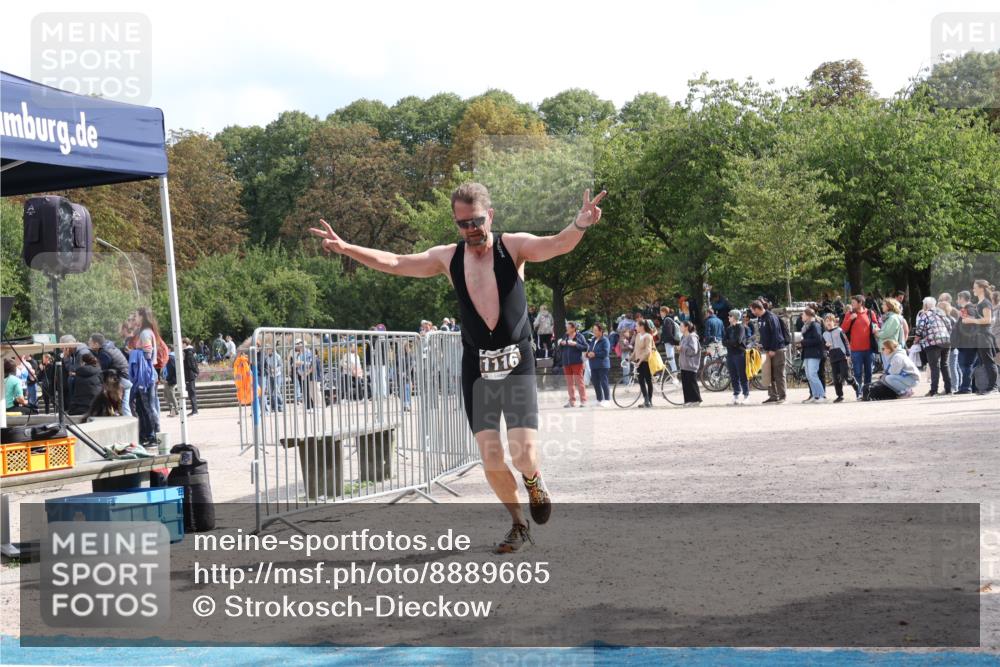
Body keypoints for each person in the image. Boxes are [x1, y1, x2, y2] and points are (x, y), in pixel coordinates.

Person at [309, 182, 605, 552]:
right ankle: (518, 523)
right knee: (490, 457)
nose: (471, 230)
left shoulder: (512, 247)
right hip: (476, 366)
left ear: (490, 215)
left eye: (476, 221)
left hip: (516, 361)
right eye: (463, 224)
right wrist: (346, 247)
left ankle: (533, 480)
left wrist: (578, 225)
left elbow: (555, 244)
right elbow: (396, 262)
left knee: (523, 454)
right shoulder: (447, 258)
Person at [126, 307, 164, 445]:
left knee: (148, 407)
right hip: (147, 373)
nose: (134, 319)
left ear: (142, 317)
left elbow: (148, 353)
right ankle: (150, 435)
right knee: (145, 406)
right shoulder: (146, 332)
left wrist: (134, 353)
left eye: (135, 316)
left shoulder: (145, 333)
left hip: (146, 375)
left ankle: (155, 435)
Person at [912, 296, 952, 397]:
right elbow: (949, 326)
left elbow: (919, 329)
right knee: (945, 365)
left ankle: (934, 391)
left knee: (935, 367)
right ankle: (948, 389)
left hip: (932, 342)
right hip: (946, 341)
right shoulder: (941, 313)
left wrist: (916, 339)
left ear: (925, 305)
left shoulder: (925, 314)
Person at [841, 295, 879, 398]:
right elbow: (843, 330)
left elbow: (875, 325)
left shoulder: (870, 313)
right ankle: (859, 393)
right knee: (857, 373)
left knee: (869, 373)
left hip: (869, 349)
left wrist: (876, 329)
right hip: (855, 350)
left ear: (860, 303)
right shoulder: (849, 314)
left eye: (853, 302)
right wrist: (850, 319)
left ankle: (868, 393)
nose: (852, 305)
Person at [751, 300, 787, 404]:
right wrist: (761, 344)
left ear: (757, 309)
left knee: (779, 374)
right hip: (767, 350)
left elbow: (776, 334)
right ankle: (773, 395)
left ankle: (782, 396)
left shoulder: (771, 317)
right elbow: (764, 334)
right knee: (768, 374)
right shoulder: (760, 318)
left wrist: (772, 349)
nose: (752, 312)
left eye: (753, 310)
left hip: (777, 350)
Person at [965, 280, 997, 394]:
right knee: (983, 362)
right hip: (979, 336)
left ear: (981, 289)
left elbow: (987, 320)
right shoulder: (979, 303)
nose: (973, 289)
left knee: (989, 361)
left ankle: (993, 387)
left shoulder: (985, 303)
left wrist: (971, 320)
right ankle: (987, 386)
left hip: (985, 336)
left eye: (975, 287)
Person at [89, 333, 132, 416]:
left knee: (123, 405)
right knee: (124, 405)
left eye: (90, 342)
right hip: (125, 377)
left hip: (120, 380)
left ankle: (128, 422)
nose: (88, 344)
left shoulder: (104, 353)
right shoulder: (111, 347)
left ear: (96, 344)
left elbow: (103, 370)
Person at [822, 313, 853, 403]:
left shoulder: (839, 330)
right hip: (833, 356)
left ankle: (854, 383)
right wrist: (826, 347)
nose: (828, 323)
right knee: (836, 378)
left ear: (834, 322)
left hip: (842, 355)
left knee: (845, 375)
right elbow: (824, 347)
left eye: (830, 321)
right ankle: (840, 395)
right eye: (826, 321)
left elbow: (846, 342)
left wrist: (848, 354)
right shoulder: (824, 334)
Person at [799, 307, 827, 403]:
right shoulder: (807, 325)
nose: (801, 316)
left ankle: (822, 395)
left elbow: (818, 339)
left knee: (813, 374)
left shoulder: (815, 325)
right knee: (809, 375)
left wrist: (803, 342)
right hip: (808, 353)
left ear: (808, 315)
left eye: (803, 314)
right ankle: (815, 396)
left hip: (815, 353)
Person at [558, 321, 588, 408]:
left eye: (568, 327)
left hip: (577, 362)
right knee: (569, 383)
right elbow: (560, 348)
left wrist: (576, 344)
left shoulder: (579, 336)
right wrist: (560, 343)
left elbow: (585, 347)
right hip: (566, 363)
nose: (566, 328)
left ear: (573, 328)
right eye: (566, 327)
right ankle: (572, 401)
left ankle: (583, 401)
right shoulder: (565, 336)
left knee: (579, 382)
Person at [723, 309, 749, 405]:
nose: (728, 317)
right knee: (733, 375)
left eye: (730, 316)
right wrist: (731, 343)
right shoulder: (729, 328)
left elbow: (738, 341)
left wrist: (730, 343)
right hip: (730, 354)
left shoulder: (741, 327)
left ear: (734, 317)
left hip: (740, 354)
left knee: (742, 375)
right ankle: (736, 395)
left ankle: (746, 395)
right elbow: (723, 341)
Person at [876, 298, 906, 370]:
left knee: (890, 370)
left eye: (883, 304)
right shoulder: (890, 317)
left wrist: (877, 333)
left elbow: (887, 333)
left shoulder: (892, 318)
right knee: (888, 369)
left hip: (889, 348)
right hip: (887, 347)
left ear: (889, 306)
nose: (882, 306)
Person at [631, 319, 655, 409]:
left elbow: (648, 351)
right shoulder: (637, 335)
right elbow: (635, 350)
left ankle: (649, 400)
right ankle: (646, 399)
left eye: (637, 326)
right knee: (641, 381)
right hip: (639, 362)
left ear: (642, 326)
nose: (635, 327)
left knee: (648, 380)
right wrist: (629, 358)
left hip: (646, 361)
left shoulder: (648, 336)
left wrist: (640, 361)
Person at [586, 323, 611, 407]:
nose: (594, 332)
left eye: (596, 330)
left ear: (601, 331)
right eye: (593, 330)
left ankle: (607, 399)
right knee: (596, 382)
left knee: (604, 382)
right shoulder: (593, 340)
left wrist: (595, 354)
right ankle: (599, 399)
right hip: (593, 364)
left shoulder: (605, 340)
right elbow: (590, 350)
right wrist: (588, 354)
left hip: (602, 365)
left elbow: (606, 352)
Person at [678, 321, 702, 406]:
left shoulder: (692, 337)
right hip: (684, 364)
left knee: (692, 383)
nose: (680, 327)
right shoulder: (683, 337)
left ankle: (696, 400)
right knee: (686, 384)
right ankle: (688, 401)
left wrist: (682, 348)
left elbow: (694, 350)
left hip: (691, 364)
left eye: (681, 326)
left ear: (686, 327)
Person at [293, 339, 316, 410]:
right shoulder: (298, 354)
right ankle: (308, 406)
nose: (298, 346)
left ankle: (311, 406)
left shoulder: (309, 353)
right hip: (300, 374)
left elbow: (311, 363)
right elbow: (295, 364)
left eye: (299, 345)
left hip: (307, 374)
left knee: (308, 390)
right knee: (304, 391)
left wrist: (301, 362)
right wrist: (296, 364)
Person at [658, 306, 680, 372]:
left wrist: (674, 342)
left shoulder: (667, 320)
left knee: (671, 359)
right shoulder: (668, 319)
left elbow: (669, 333)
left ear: (664, 312)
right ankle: (674, 375)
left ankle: (674, 376)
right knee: (671, 359)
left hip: (669, 342)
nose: (660, 313)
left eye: (661, 312)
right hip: (670, 342)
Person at [182, 337, 200, 415]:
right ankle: (194, 410)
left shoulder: (188, 352)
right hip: (189, 374)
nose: (181, 345)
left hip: (190, 375)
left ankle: (195, 410)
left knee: (191, 393)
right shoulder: (188, 352)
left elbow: (192, 364)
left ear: (185, 344)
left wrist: (196, 372)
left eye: (182, 343)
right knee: (191, 392)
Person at [162, 346, 179, 418]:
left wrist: (168, 379)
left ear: (169, 349)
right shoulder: (170, 357)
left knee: (171, 396)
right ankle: (173, 410)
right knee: (166, 395)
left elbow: (172, 370)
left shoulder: (170, 357)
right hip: (169, 379)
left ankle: (175, 410)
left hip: (170, 380)